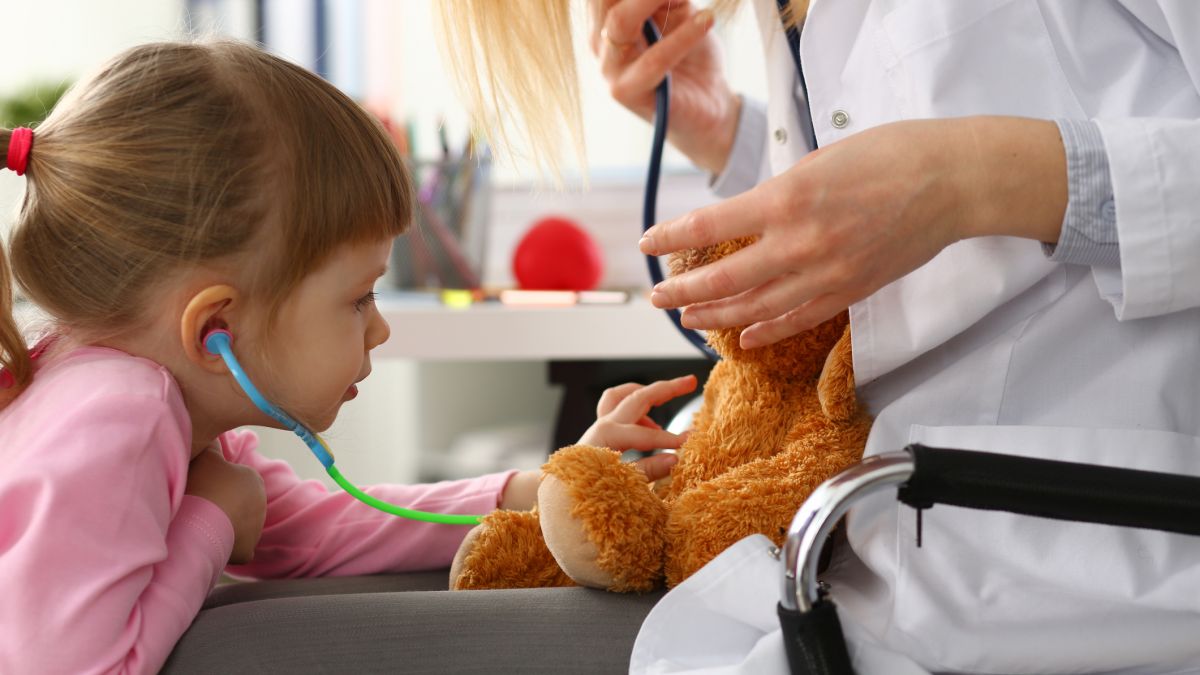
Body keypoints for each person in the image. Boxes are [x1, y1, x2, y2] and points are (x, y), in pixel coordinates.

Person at [439, 0, 1200, 672]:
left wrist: (968, 177)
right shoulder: (784, 22)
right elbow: (878, 272)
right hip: (855, 566)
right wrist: (729, 136)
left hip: (1098, 570)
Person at [0, 40, 697, 675]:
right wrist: (211, 517)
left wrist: (531, 489)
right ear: (215, 327)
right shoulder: (123, 415)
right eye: (359, 297)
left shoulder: (138, 395)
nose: (380, 328)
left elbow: (312, 530)